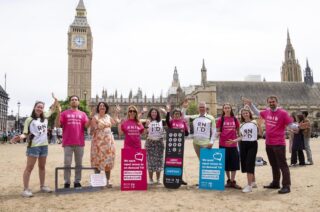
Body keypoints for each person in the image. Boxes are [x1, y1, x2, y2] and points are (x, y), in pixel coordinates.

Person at [243, 96, 298, 194]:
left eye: (273, 102)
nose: (271, 103)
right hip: (269, 143)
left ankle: (286, 186)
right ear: (268, 103)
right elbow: (257, 112)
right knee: (273, 164)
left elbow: (291, 125)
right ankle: (275, 183)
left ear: (277, 102)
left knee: (283, 165)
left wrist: (298, 126)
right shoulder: (267, 112)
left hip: (279, 143)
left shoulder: (283, 113)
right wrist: (250, 105)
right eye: (270, 102)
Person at [11, 94, 58, 197]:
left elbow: (53, 108)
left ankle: (42, 186)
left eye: (41, 107)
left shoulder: (45, 116)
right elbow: (25, 133)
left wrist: (55, 100)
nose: (40, 109)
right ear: (34, 107)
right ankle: (26, 189)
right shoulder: (29, 119)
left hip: (44, 145)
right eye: (38, 107)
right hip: (34, 146)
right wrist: (19, 137)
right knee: (29, 167)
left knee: (42, 167)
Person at [56, 95, 90, 189]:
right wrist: (58, 112)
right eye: (72, 100)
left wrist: (90, 117)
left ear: (78, 102)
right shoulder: (64, 113)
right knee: (67, 163)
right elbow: (58, 124)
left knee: (79, 163)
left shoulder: (83, 114)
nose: (74, 101)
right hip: (68, 142)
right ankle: (67, 182)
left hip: (79, 142)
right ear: (70, 102)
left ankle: (77, 181)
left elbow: (87, 126)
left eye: (76, 100)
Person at [227, 107, 263, 193]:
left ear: (250, 113)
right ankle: (253, 182)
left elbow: (261, 134)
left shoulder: (254, 122)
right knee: (247, 163)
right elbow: (241, 137)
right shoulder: (241, 125)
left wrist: (260, 126)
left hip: (252, 144)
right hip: (243, 144)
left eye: (247, 113)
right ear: (242, 115)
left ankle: (249, 185)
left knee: (249, 163)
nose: (245, 114)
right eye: (243, 113)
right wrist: (234, 141)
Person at [90, 102, 119, 187]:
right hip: (98, 142)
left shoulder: (108, 116)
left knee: (108, 160)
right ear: (98, 108)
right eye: (100, 106)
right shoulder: (95, 117)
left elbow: (115, 122)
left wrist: (116, 112)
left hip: (108, 141)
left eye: (103, 106)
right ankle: (97, 181)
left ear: (106, 108)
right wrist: (96, 126)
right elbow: (92, 130)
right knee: (97, 160)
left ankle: (108, 180)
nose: (102, 107)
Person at [160, 104, 189, 185]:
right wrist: (168, 112)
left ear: (180, 115)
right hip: (171, 144)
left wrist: (183, 131)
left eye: (178, 114)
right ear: (173, 115)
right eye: (175, 114)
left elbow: (186, 133)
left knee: (179, 162)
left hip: (180, 145)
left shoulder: (183, 122)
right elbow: (167, 121)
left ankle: (179, 178)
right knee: (171, 161)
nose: (177, 115)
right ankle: (170, 177)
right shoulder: (171, 122)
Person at [216, 103, 241, 189]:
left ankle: (233, 182)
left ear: (231, 109)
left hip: (233, 145)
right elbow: (218, 132)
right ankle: (229, 180)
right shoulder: (220, 120)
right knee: (225, 164)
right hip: (223, 144)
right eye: (225, 108)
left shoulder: (235, 119)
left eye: (228, 108)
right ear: (223, 110)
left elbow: (239, 132)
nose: (227, 109)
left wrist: (236, 139)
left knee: (234, 163)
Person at [145, 107, 165, 185]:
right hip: (150, 143)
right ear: (150, 113)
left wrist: (166, 112)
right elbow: (144, 133)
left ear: (157, 114)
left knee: (159, 161)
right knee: (150, 161)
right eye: (152, 112)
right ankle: (150, 179)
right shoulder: (147, 121)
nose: (154, 113)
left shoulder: (161, 121)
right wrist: (146, 125)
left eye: (155, 112)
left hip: (159, 143)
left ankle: (158, 179)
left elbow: (170, 121)